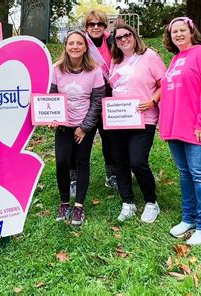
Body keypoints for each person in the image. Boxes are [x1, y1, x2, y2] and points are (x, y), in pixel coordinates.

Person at [160, 17, 201, 245]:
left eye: (182, 30)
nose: (178, 34)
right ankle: (189, 218)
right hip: (175, 127)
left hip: (197, 127)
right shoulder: (175, 59)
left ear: (191, 31)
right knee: (185, 174)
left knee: (200, 174)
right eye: (174, 31)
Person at [109, 24, 166, 223]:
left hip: (144, 119)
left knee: (138, 162)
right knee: (120, 162)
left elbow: (163, 84)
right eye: (119, 38)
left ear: (134, 36)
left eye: (127, 35)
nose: (123, 39)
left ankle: (152, 202)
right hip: (118, 120)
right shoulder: (115, 61)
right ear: (115, 42)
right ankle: (128, 202)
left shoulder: (149, 56)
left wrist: (152, 101)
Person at [51, 30, 105, 225]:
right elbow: (52, 96)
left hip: (84, 127)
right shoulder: (56, 69)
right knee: (62, 162)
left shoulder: (95, 70)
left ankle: (79, 206)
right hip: (64, 127)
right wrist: (52, 117)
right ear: (66, 46)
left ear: (85, 47)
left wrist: (84, 127)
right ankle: (64, 202)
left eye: (79, 43)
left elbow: (97, 101)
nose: (75, 47)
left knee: (82, 162)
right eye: (71, 43)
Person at [82, 9, 118, 192]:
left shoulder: (113, 42)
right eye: (91, 24)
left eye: (99, 24)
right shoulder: (81, 43)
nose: (96, 27)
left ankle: (111, 174)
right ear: (86, 27)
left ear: (105, 26)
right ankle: (75, 178)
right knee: (81, 137)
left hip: (109, 96)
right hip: (86, 97)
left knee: (109, 138)